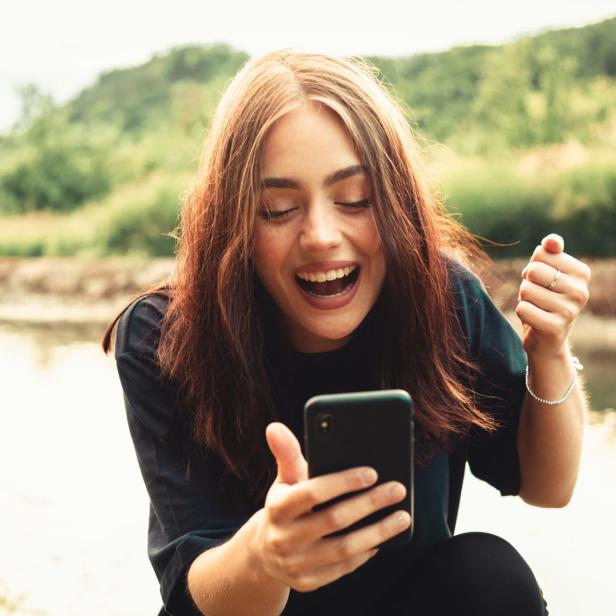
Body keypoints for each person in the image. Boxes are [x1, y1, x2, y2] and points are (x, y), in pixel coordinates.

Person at [101, 49, 590, 616]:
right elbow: (194, 589)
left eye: (354, 199)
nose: (320, 235)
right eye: (278, 209)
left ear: (396, 201)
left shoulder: (442, 297)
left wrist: (549, 349)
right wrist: (266, 557)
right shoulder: (165, 336)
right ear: (233, 222)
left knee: (489, 573)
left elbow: (547, 488)